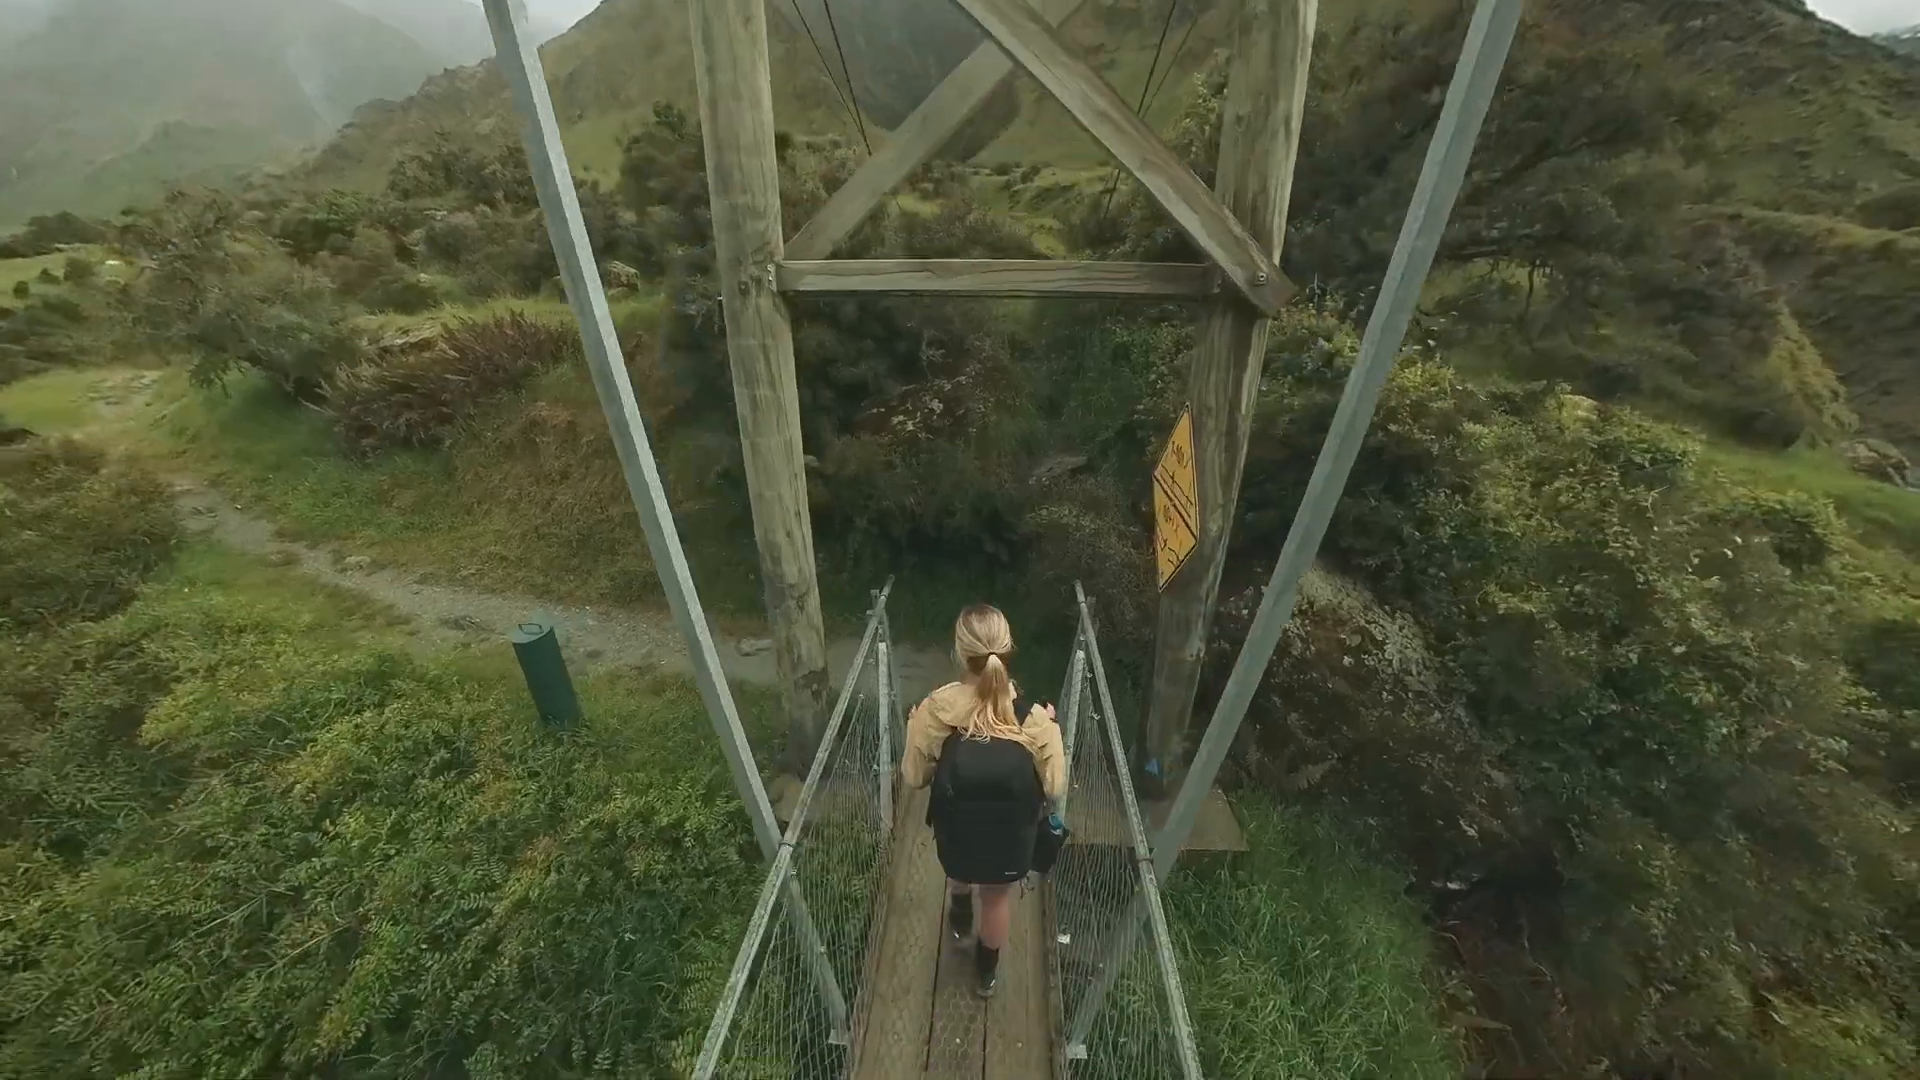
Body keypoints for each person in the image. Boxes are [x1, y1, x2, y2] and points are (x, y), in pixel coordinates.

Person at [901, 604, 1066, 998]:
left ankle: (959, 911)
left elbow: (914, 777)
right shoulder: (1034, 720)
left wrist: (915, 726)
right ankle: (986, 973)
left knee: (960, 847)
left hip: (955, 837)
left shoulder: (935, 710)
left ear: (959, 654)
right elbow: (1056, 786)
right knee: (996, 901)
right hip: (1009, 842)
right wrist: (1052, 728)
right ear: (1008, 651)